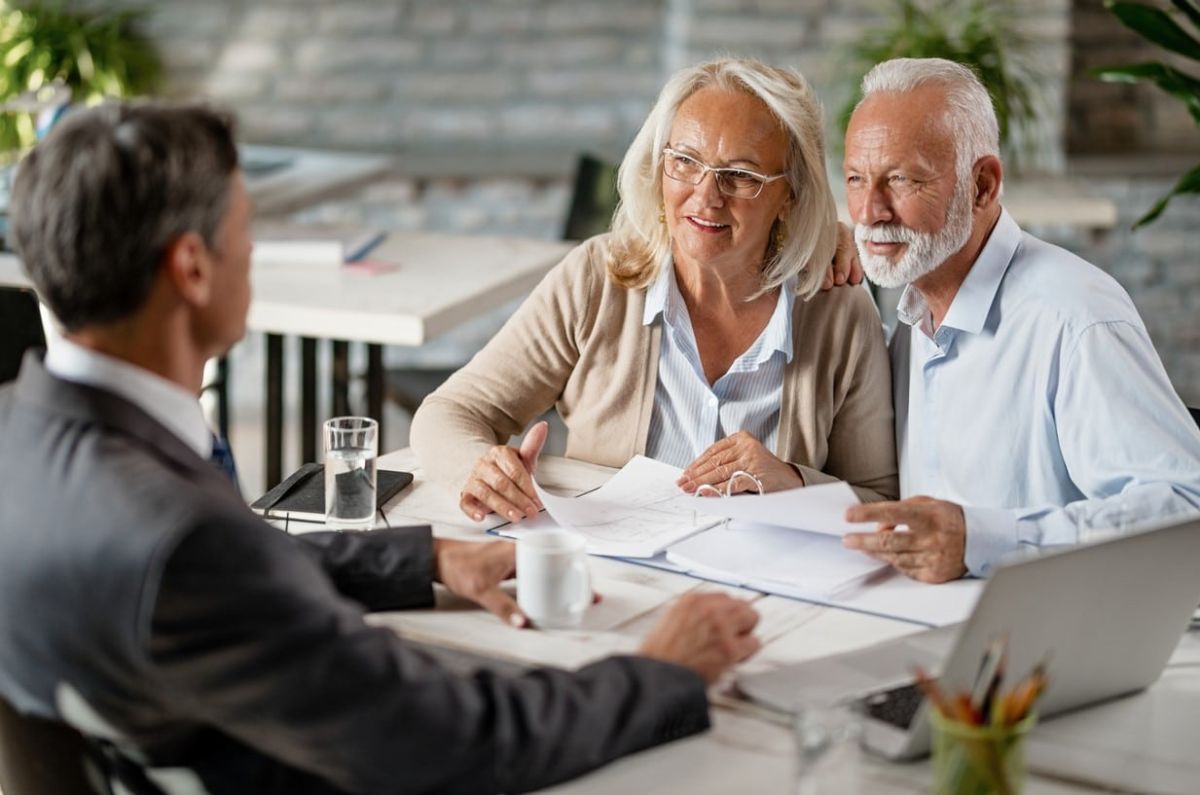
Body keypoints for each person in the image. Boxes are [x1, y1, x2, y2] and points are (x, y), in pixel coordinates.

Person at [0, 102, 764, 794]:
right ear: (192, 269)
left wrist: (422, 557)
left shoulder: (27, 444)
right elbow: (455, 739)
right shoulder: (181, 536)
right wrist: (658, 672)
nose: (252, 255)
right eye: (245, 235)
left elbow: (208, 583)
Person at [411, 57, 897, 524]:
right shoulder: (598, 279)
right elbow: (450, 413)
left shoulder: (839, 308)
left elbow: (879, 499)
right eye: (684, 161)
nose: (706, 196)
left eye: (741, 176)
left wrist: (793, 481)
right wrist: (480, 470)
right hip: (612, 578)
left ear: (790, 193)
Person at [838, 58, 1200, 583]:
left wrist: (987, 542)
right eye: (855, 178)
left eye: (901, 179)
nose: (870, 211)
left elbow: (1185, 507)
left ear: (982, 185)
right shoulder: (910, 314)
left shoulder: (1077, 319)